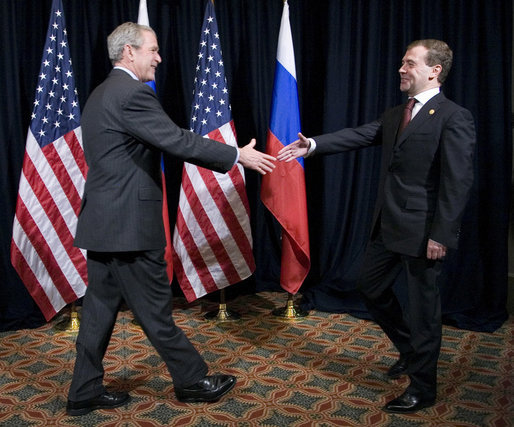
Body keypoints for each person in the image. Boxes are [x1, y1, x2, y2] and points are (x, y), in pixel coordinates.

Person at [66, 22, 275, 416]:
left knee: (97, 311)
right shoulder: (132, 94)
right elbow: (176, 139)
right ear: (130, 52)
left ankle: (84, 390)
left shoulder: (100, 93)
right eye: (153, 50)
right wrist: (235, 156)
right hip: (128, 227)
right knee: (155, 310)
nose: (159, 58)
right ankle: (193, 380)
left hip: (103, 223)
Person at [278, 39, 475, 413]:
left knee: (423, 313)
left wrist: (442, 234)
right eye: (402, 62)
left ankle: (423, 387)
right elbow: (361, 134)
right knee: (370, 289)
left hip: (423, 232)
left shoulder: (453, 116)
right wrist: (314, 145)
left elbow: (457, 180)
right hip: (387, 226)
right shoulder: (397, 113)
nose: (401, 68)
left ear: (434, 71)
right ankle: (410, 351)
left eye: (410, 63)